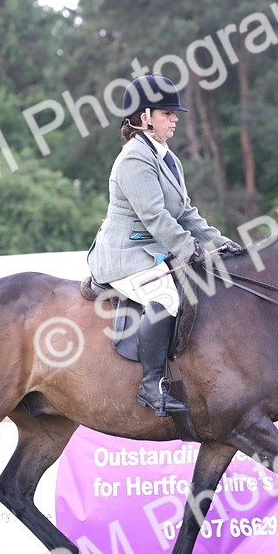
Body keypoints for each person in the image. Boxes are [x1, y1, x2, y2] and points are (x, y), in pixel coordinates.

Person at [86, 74, 242, 416]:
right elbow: (155, 217)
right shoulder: (134, 159)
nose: (174, 119)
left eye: (174, 114)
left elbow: (184, 212)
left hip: (151, 252)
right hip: (124, 255)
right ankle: (151, 387)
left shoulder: (167, 157)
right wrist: (191, 250)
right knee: (166, 297)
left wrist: (218, 241)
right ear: (144, 117)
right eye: (167, 113)